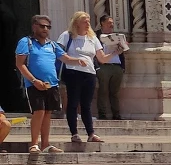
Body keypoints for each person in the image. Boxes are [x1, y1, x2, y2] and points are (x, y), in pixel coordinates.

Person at [57, 12, 109, 145]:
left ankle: (91, 133)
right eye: (85, 21)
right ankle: (74, 133)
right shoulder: (67, 36)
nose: (88, 24)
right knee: (73, 103)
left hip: (89, 73)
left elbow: (101, 58)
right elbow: (58, 53)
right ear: (76, 23)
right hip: (73, 72)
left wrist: (116, 52)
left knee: (86, 104)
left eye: (88, 21)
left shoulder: (93, 38)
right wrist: (75, 60)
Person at [15, 15, 61, 154]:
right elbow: (19, 64)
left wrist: (80, 59)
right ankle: (34, 144)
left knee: (47, 113)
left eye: (48, 27)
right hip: (34, 84)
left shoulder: (52, 44)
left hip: (51, 84)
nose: (45, 29)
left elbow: (66, 57)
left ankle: (45, 144)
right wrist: (34, 81)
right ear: (34, 26)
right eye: (42, 26)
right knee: (38, 111)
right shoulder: (26, 42)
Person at [95, 15, 128, 120]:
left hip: (116, 66)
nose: (111, 25)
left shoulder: (117, 37)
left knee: (114, 92)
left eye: (112, 23)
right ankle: (102, 114)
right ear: (102, 24)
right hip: (104, 66)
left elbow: (123, 52)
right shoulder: (96, 37)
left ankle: (116, 114)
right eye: (109, 23)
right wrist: (97, 67)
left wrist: (122, 66)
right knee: (103, 91)